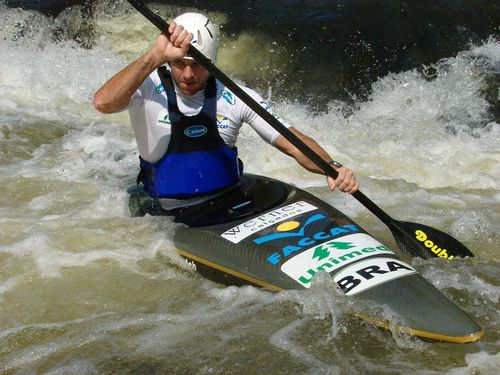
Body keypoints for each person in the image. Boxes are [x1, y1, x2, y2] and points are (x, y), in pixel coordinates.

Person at [93, 12, 358, 210]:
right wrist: (154, 56)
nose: (187, 74)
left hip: (228, 203)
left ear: (211, 61)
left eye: (196, 65)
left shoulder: (234, 96)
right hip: (166, 210)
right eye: (178, 64)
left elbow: (294, 143)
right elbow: (103, 103)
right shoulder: (148, 87)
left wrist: (330, 167)